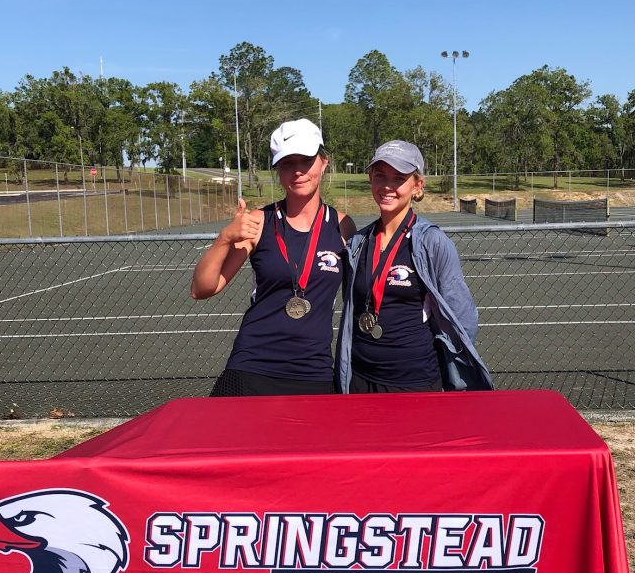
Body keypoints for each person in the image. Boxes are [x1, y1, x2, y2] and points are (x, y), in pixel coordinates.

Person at [191, 118, 356, 396]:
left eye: (306, 160)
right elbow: (202, 288)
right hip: (253, 365)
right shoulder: (257, 222)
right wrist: (225, 238)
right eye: (287, 163)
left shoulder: (343, 226)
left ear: (324, 161)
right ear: (277, 170)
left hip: (313, 371)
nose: (298, 172)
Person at [336, 140, 492, 393]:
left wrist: (453, 363)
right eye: (380, 176)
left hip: (414, 381)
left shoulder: (432, 241)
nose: (387, 186)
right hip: (360, 378)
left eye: (398, 178)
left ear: (417, 185)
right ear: (370, 179)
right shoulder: (358, 242)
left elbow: (463, 316)